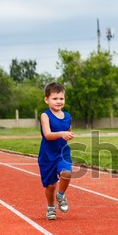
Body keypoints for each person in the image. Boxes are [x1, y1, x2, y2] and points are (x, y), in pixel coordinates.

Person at [38, 82, 74, 220]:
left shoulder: (68, 116)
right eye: (55, 98)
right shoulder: (45, 116)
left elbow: (67, 130)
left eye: (61, 98)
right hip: (47, 155)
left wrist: (68, 135)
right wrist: (61, 133)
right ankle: (51, 207)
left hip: (62, 153)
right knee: (51, 185)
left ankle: (61, 195)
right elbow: (47, 135)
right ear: (46, 99)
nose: (59, 101)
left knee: (67, 173)